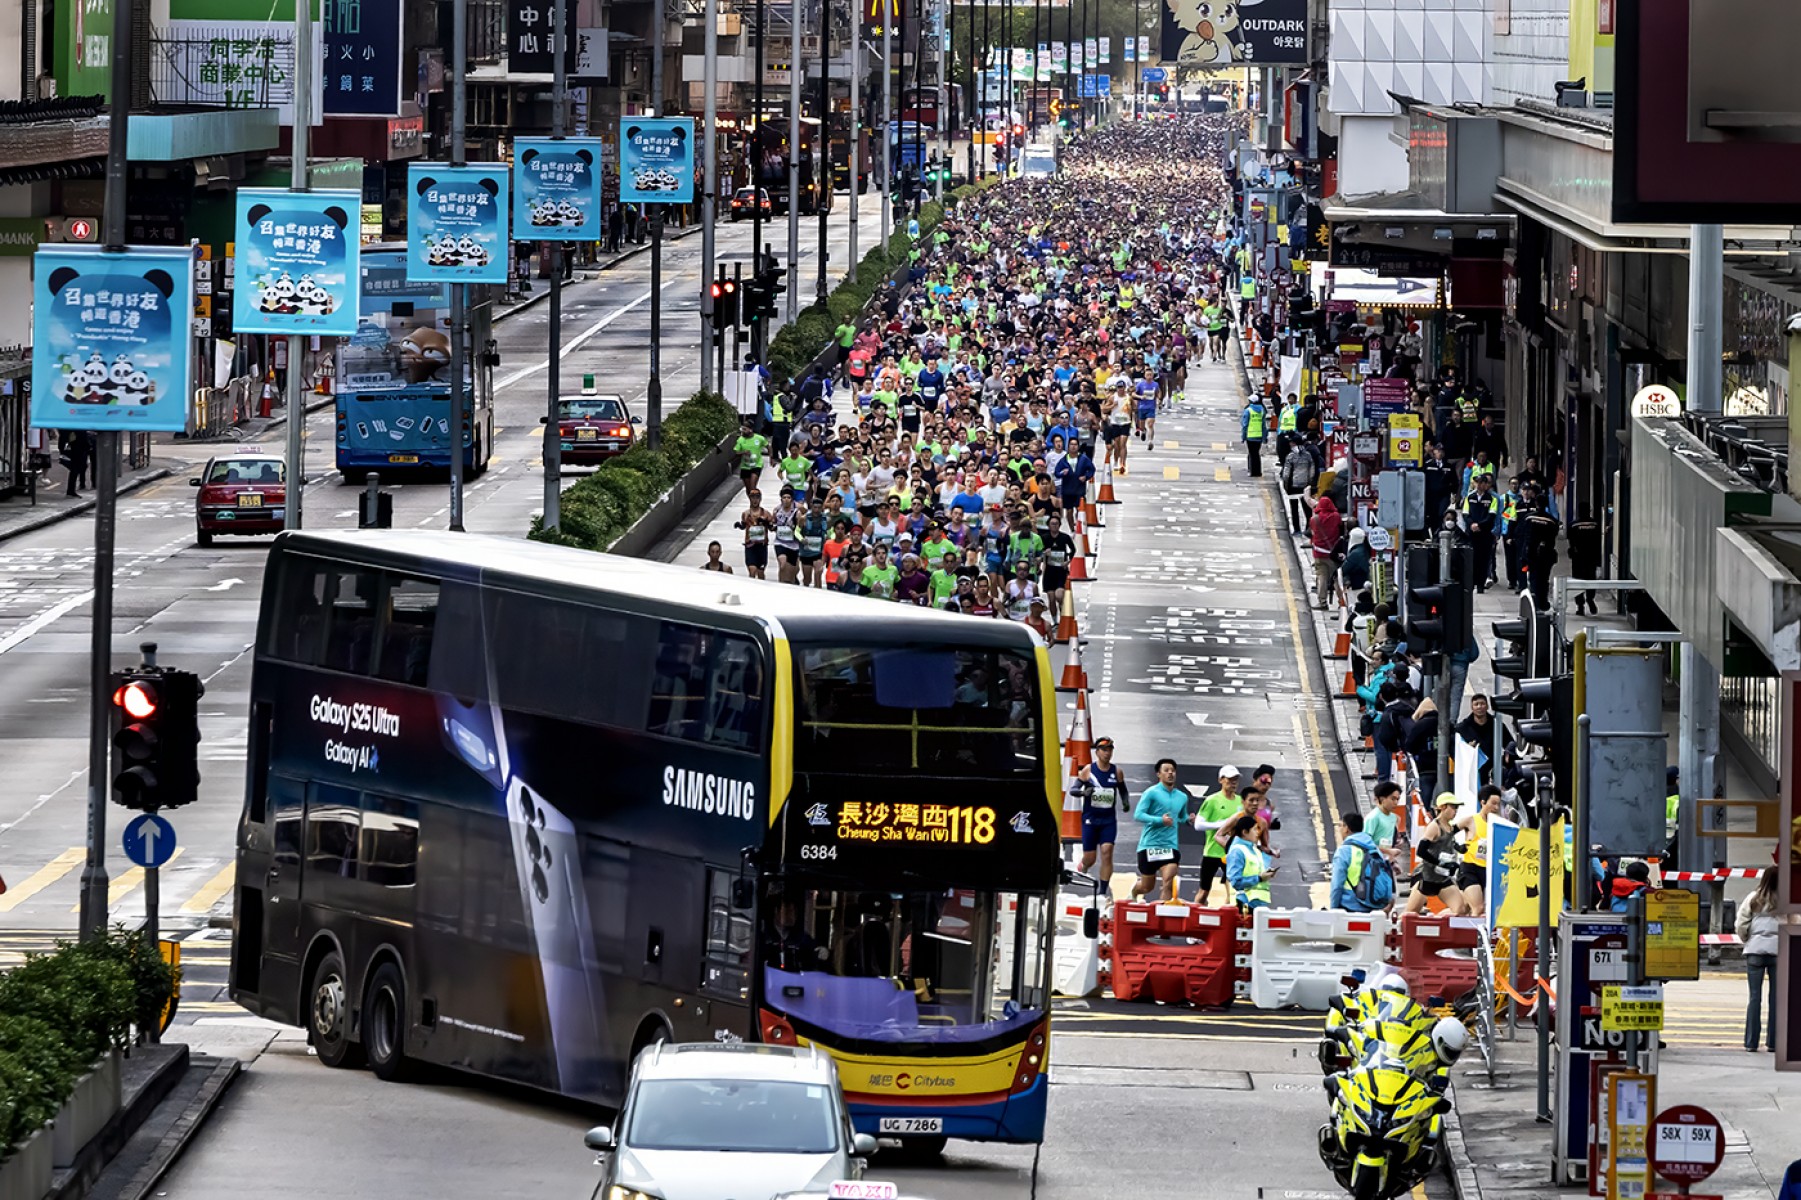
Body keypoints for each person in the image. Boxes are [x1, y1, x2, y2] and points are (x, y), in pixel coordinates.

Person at [1131, 758, 1188, 904]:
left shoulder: (1182, 797)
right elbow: (1138, 814)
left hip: (1170, 846)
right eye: (1166, 770)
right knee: (1147, 887)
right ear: (1158, 774)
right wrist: (1159, 820)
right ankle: (1134, 891)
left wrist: (1188, 819)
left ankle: (1163, 912)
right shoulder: (1151, 793)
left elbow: (1181, 817)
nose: (1170, 773)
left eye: (1173, 770)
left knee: (1168, 881)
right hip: (1149, 846)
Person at [1735, 867, 1779, 1052]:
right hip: (1779, 952)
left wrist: (1747, 940)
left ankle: (1751, 1042)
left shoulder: (1753, 898)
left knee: (1754, 997)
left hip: (1755, 951)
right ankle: (1774, 1043)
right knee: (1777, 999)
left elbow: (1741, 924)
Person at [1075, 737, 1126, 895]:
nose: (1107, 753)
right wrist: (1083, 792)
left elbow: (1123, 790)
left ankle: (1102, 890)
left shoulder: (1117, 772)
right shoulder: (1088, 770)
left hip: (1108, 820)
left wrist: (1125, 802)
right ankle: (1084, 864)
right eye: (1104, 750)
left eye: (1109, 750)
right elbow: (1073, 789)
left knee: (1107, 851)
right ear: (1097, 752)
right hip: (1090, 820)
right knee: (1090, 858)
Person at [1404, 794, 1467, 915]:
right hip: (1427, 877)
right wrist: (1441, 863)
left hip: (1443, 878)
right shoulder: (1434, 827)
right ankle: (1394, 924)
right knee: (1411, 913)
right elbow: (1421, 851)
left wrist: (1460, 848)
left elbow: (1448, 843)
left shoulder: (1449, 827)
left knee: (1460, 910)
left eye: (1457, 808)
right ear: (1443, 807)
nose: (1455, 811)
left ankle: (1437, 920)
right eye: (1453, 807)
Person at [1191, 765, 1243, 905]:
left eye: (1236, 779)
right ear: (1221, 780)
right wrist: (1221, 825)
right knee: (1204, 891)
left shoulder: (1241, 801)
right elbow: (1198, 825)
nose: (1233, 783)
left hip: (1232, 853)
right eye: (1230, 779)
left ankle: (1230, 914)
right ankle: (1196, 913)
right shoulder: (1212, 800)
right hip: (1212, 852)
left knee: (1234, 890)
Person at [1329, 811, 1395, 913]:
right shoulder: (1374, 849)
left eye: (1341, 826)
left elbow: (1337, 885)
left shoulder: (1344, 851)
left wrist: (1333, 909)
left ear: (1346, 828)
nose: (1340, 829)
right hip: (1374, 906)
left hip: (1350, 906)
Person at [1453, 787, 1503, 918]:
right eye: (1493, 803)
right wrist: (1457, 847)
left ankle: (1443, 922)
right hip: (1470, 868)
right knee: (1478, 907)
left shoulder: (1499, 824)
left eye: (1498, 804)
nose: (1496, 808)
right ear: (1483, 802)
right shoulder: (1471, 820)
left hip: (1489, 870)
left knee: (1463, 909)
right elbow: (1446, 833)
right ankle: (1473, 933)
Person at [1223, 814, 1276, 911]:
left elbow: (1257, 869)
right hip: (1245, 903)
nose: (1257, 832)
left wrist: (1267, 874)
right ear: (1245, 832)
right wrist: (1259, 878)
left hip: (1259, 903)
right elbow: (1235, 881)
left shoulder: (1254, 849)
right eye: (1255, 829)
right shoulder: (1237, 851)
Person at [1309, 494, 1344, 610]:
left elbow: (1312, 533)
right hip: (1333, 553)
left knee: (1322, 577)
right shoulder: (1336, 517)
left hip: (1319, 553)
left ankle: (1322, 602)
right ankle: (1342, 602)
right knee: (1337, 578)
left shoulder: (1314, 519)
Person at [1365, 781, 1404, 868]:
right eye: (1393, 799)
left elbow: (1391, 842)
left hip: (1386, 863)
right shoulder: (1373, 818)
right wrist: (1388, 851)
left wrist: (1393, 862)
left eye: (1397, 799)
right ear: (1382, 799)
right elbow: (1365, 844)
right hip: (1372, 863)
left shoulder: (1394, 818)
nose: (1396, 802)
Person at [1241, 394, 1268, 477]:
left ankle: (1252, 471)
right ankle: (1258, 471)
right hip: (1259, 436)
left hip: (1250, 436)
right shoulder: (1262, 410)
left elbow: (1245, 425)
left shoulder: (1248, 410)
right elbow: (1264, 425)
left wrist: (1243, 436)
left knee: (1252, 454)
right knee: (1256, 453)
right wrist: (1264, 437)